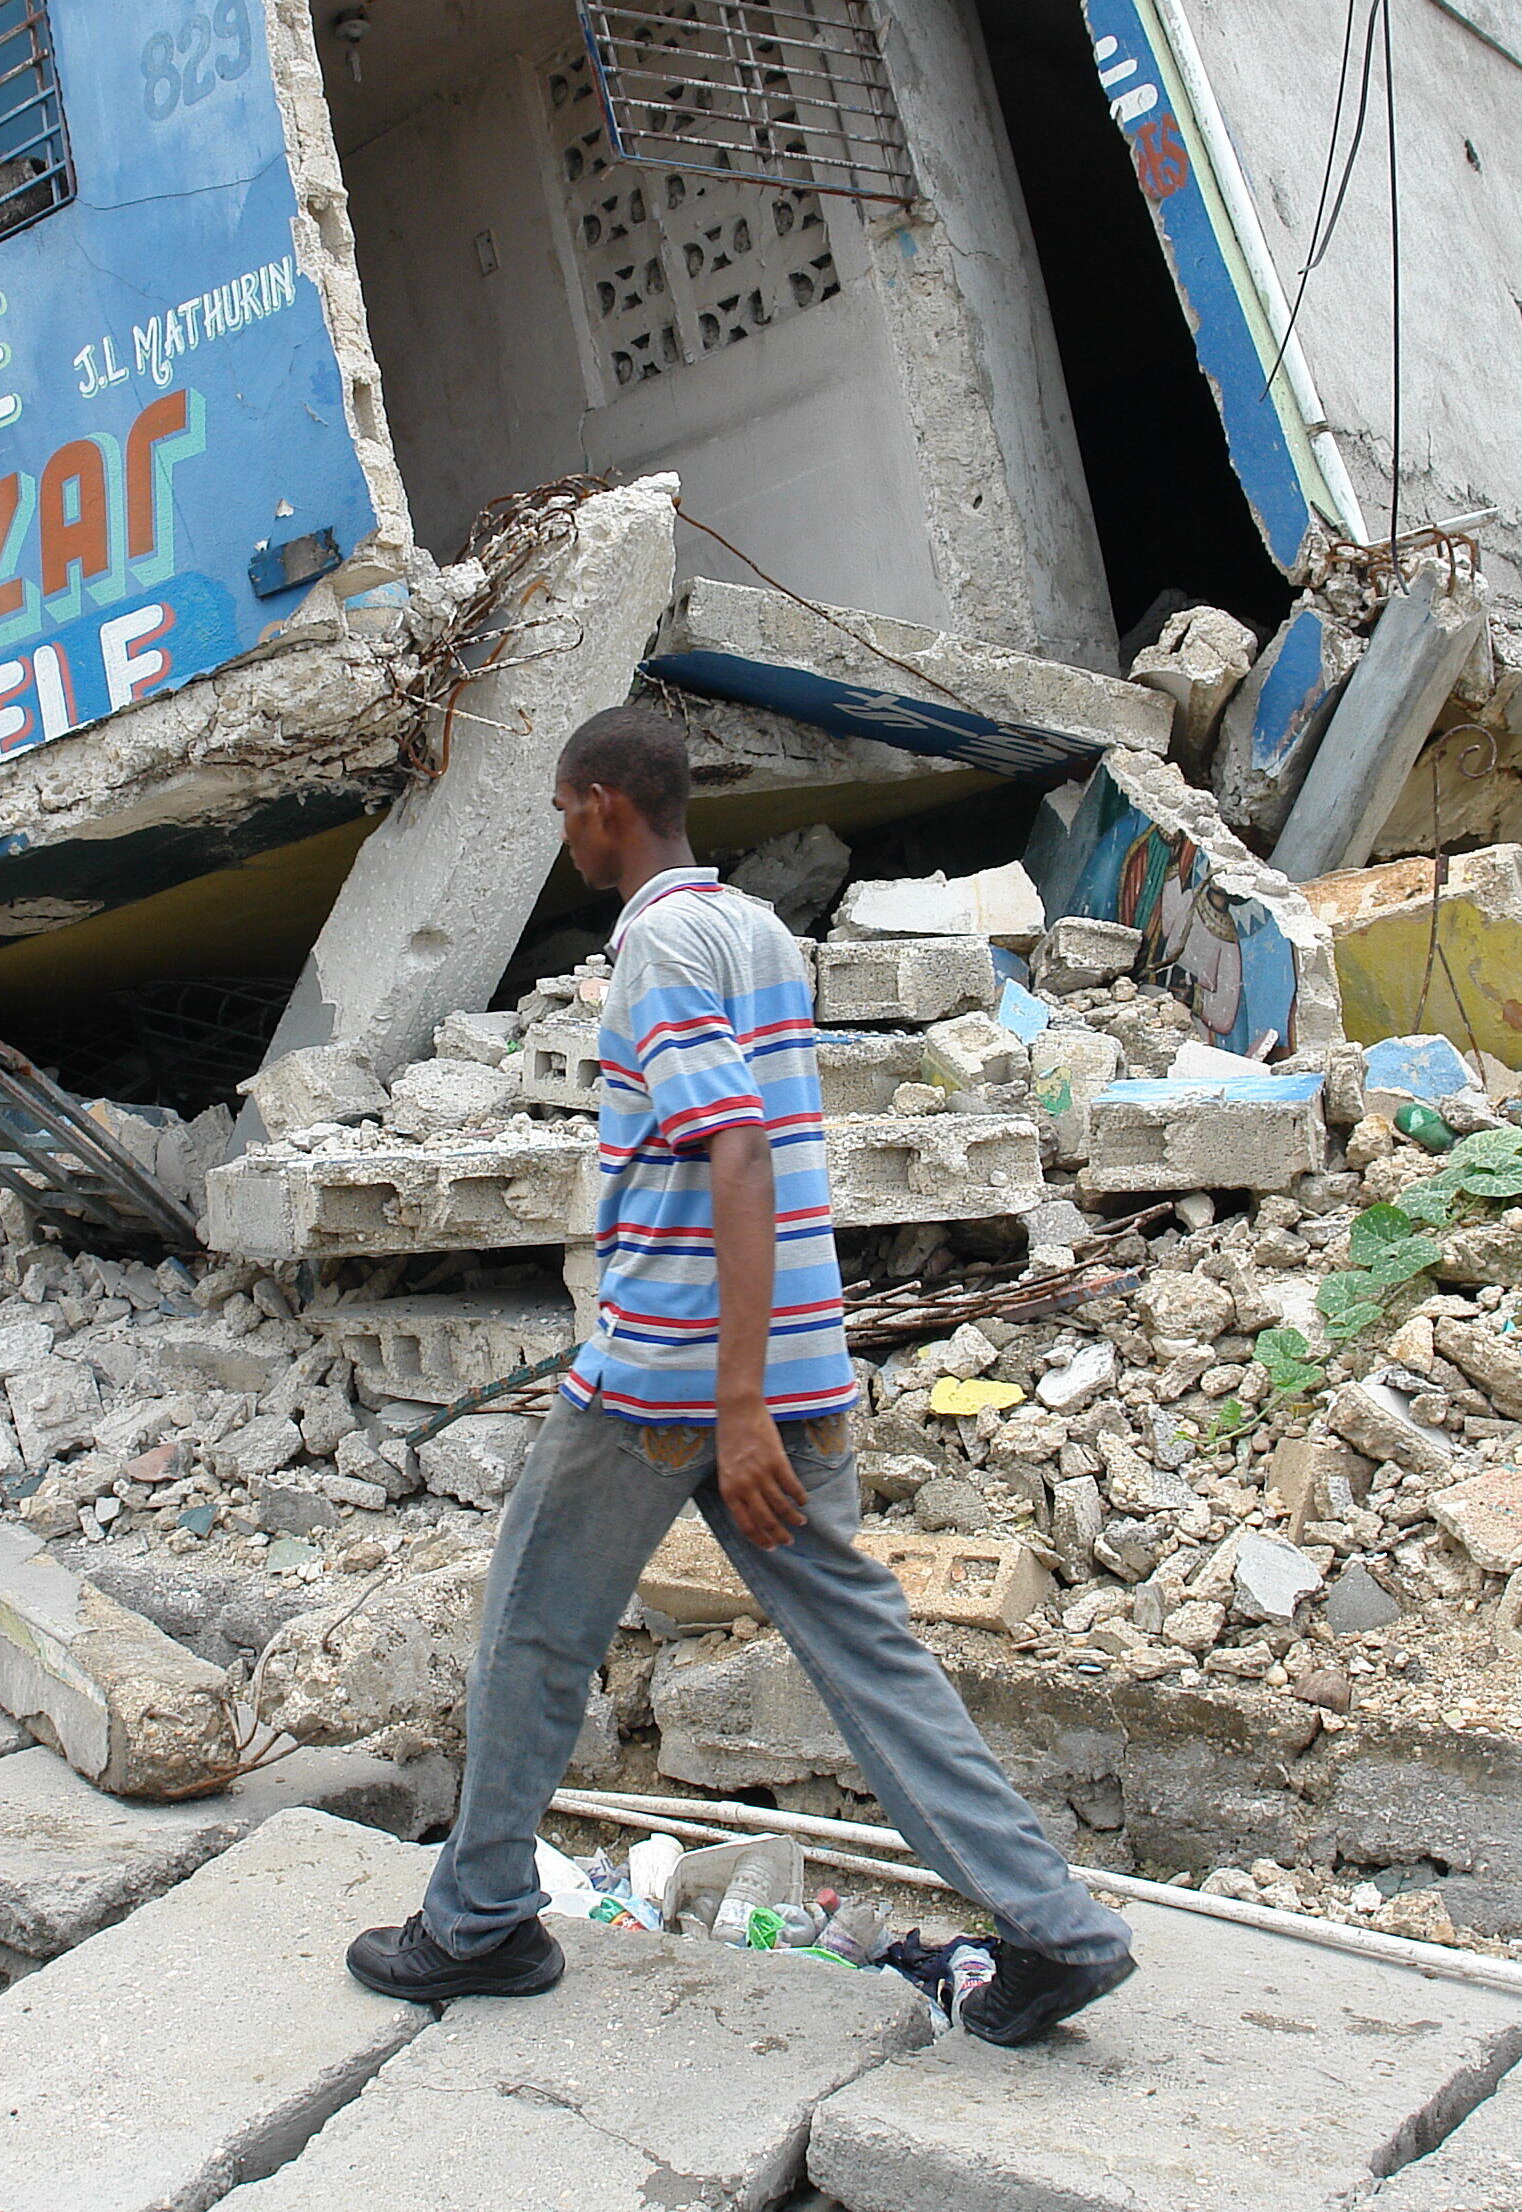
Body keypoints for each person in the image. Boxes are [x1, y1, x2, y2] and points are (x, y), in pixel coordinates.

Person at [347, 706, 1138, 2044]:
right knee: (864, 1650)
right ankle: (1059, 1931)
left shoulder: (657, 942)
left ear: (604, 803)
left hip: (668, 1381)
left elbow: (738, 1158)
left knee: (534, 1632)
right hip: (795, 1359)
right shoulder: (760, 936)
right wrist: (770, 1390)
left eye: (561, 808)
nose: (561, 833)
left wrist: (734, 1408)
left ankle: (477, 1922)